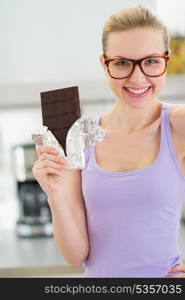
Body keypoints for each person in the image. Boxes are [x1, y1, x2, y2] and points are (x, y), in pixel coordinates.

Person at [32, 5, 185, 278]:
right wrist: (55, 196)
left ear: (166, 61)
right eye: (122, 63)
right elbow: (75, 255)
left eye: (150, 61)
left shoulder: (177, 124)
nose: (137, 78)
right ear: (105, 64)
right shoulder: (79, 135)